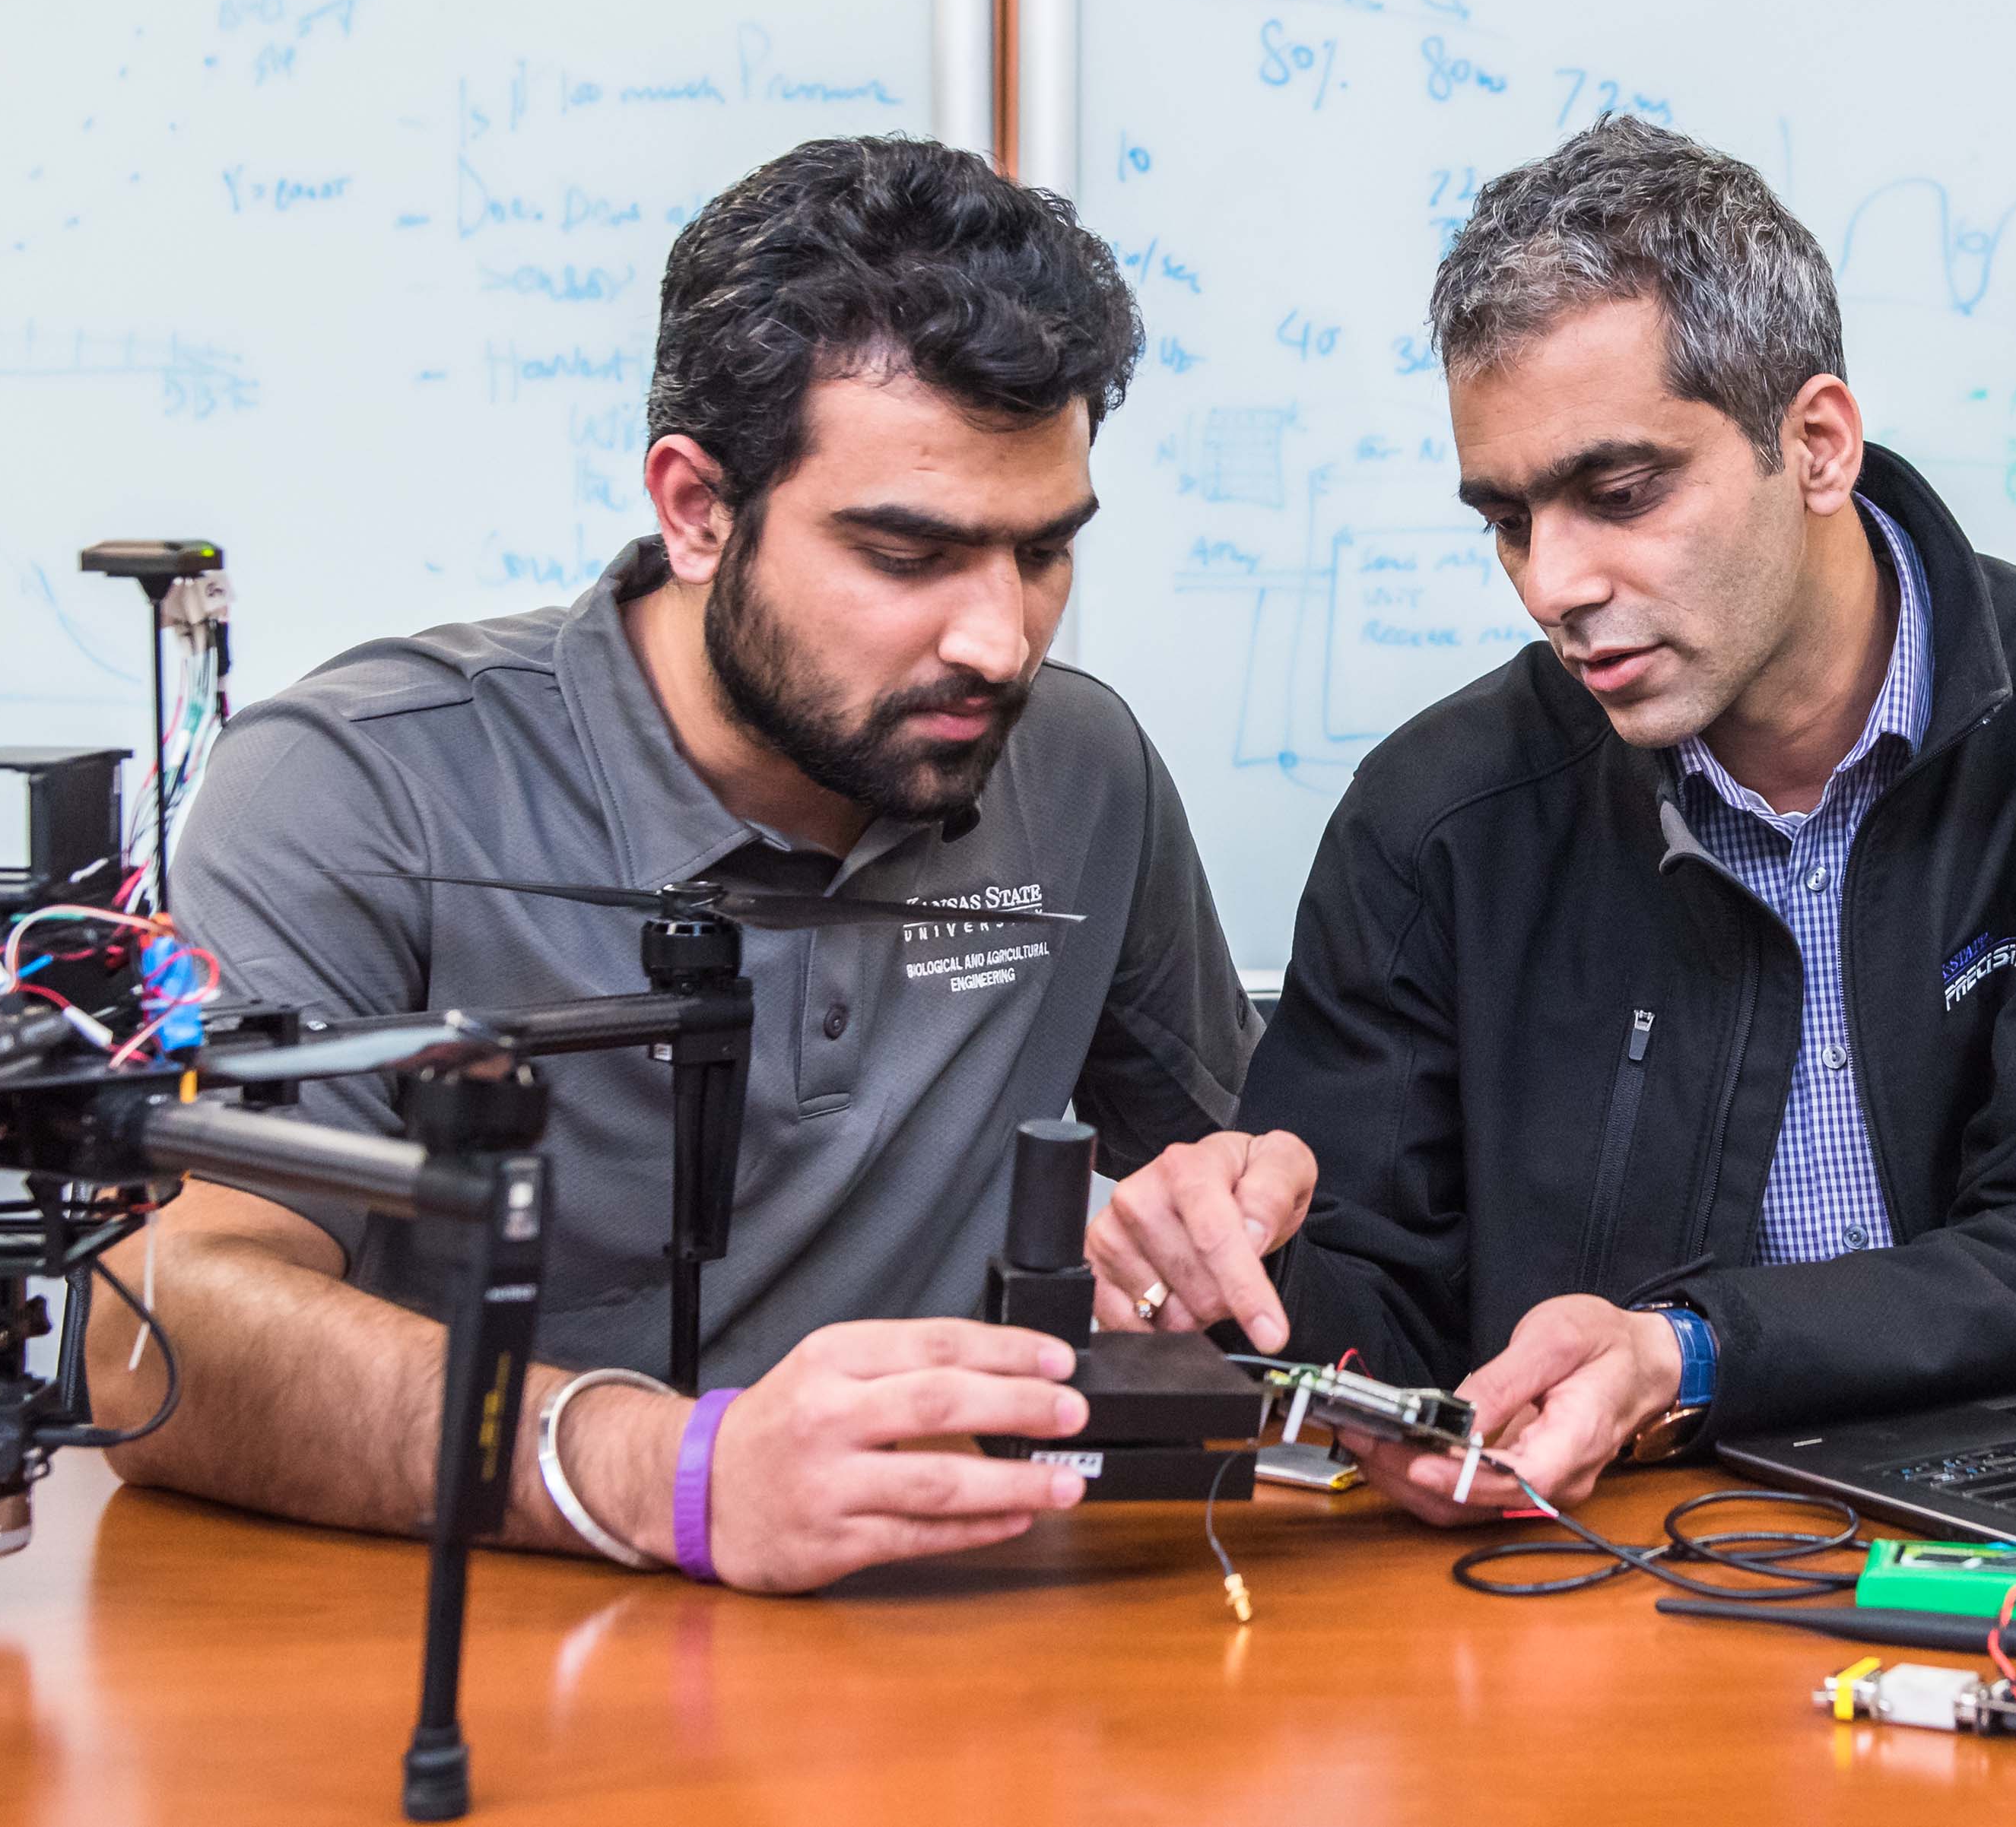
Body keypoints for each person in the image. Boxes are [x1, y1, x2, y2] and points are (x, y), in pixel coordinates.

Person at [90, 138, 1259, 1593]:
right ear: (697, 507)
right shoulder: (359, 785)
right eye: (909, 555)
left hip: (922, 1661)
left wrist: (1228, 1208)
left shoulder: (1080, 770)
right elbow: (164, 1327)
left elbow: (1222, 1184)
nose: (1000, 639)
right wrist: (673, 1473)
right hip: (450, 1636)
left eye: (1043, 553)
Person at [1086, 119, 2016, 1521]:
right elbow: (1377, 1344)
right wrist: (1237, 1261)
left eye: (1619, 492)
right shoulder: (1438, 818)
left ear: (1817, 444)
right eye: (1508, 518)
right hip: (1599, 1571)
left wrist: (1689, 1355)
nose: (1553, 584)